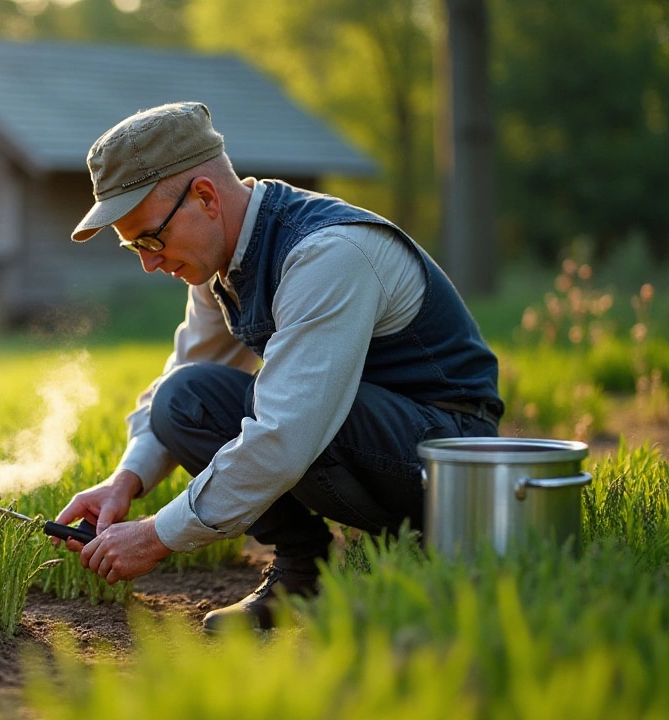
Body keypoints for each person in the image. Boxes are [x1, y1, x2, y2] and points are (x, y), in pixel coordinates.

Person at [54, 102, 502, 631]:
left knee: (284, 419)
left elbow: (286, 436)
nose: (150, 262)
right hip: (369, 439)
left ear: (205, 197)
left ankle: (434, 547)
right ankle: (302, 573)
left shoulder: (326, 253)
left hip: (450, 459)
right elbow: (180, 387)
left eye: (152, 238)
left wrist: (156, 535)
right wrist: (126, 480)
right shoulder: (216, 268)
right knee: (182, 399)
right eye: (135, 248)